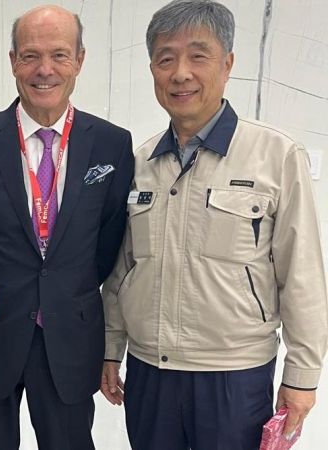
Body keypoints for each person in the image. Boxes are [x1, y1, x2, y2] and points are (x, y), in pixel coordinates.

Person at [100, 1, 328, 449]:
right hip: (150, 372)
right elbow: (121, 269)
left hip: (234, 375)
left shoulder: (276, 155)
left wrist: (302, 375)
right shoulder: (141, 161)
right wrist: (112, 348)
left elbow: (302, 273)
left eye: (198, 55)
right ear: (153, 70)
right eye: (166, 58)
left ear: (228, 64)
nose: (181, 73)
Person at [0, 5, 134, 449]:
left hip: (70, 333)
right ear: (12, 62)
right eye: (30, 56)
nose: (44, 70)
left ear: (80, 60)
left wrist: (65, 288)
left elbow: (109, 240)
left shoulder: (112, 144)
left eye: (60, 55)